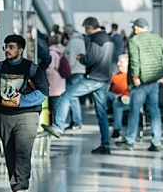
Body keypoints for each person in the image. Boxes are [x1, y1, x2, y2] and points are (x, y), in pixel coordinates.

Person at [0, 35, 49, 192]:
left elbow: (43, 92)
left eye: (11, 47)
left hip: (27, 115)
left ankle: (21, 187)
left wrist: (22, 101)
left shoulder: (32, 69)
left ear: (20, 50)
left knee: (23, 151)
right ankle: (15, 186)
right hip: (3, 115)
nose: (7, 50)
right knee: (9, 151)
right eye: (6, 47)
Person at [44, 17, 114, 154]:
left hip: (93, 78)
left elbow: (90, 59)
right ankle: (105, 144)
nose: (86, 32)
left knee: (65, 96)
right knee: (101, 114)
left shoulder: (96, 39)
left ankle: (58, 127)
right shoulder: (108, 38)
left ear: (90, 27)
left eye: (86, 29)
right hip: (104, 79)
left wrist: (81, 58)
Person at [116, 18, 163, 152]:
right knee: (154, 110)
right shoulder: (157, 38)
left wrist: (135, 77)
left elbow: (135, 61)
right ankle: (156, 142)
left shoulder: (133, 41)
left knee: (134, 111)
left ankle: (130, 140)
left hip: (140, 82)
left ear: (137, 28)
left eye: (134, 27)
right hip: (154, 81)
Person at [62, 24, 85, 131]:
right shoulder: (81, 40)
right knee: (74, 97)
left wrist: (67, 70)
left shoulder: (72, 42)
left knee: (73, 97)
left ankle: (76, 121)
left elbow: (70, 58)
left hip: (74, 71)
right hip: (81, 70)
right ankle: (75, 121)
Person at [107, 54, 130, 140]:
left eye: (121, 62)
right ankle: (117, 97)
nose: (118, 64)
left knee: (118, 103)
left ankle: (116, 131)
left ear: (128, 63)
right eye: (118, 62)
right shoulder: (115, 76)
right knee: (104, 94)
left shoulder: (132, 76)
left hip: (129, 101)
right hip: (114, 99)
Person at [46, 33, 66, 116]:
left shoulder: (52, 53)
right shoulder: (62, 51)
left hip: (53, 80)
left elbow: (50, 68)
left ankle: (56, 123)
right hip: (60, 78)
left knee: (54, 104)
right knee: (58, 103)